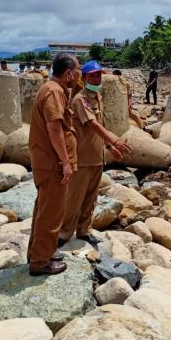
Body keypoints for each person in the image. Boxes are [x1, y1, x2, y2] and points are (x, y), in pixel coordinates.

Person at [59, 62, 132, 247]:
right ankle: (64, 233)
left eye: (99, 75)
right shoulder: (80, 99)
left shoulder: (97, 96)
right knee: (74, 198)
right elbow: (92, 124)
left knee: (91, 198)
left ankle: (84, 230)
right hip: (82, 158)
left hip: (96, 158)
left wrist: (108, 147)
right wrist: (115, 140)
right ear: (84, 78)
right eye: (92, 76)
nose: (97, 79)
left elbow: (101, 126)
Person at [27, 53, 80, 276]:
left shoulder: (53, 89)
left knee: (45, 209)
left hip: (48, 162)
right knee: (51, 213)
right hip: (53, 165)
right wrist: (66, 163)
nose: (79, 77)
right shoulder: (54, 91)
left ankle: (40, 252)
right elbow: (55, 128)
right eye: (77, 72)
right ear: (68, 73)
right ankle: (39, 262)